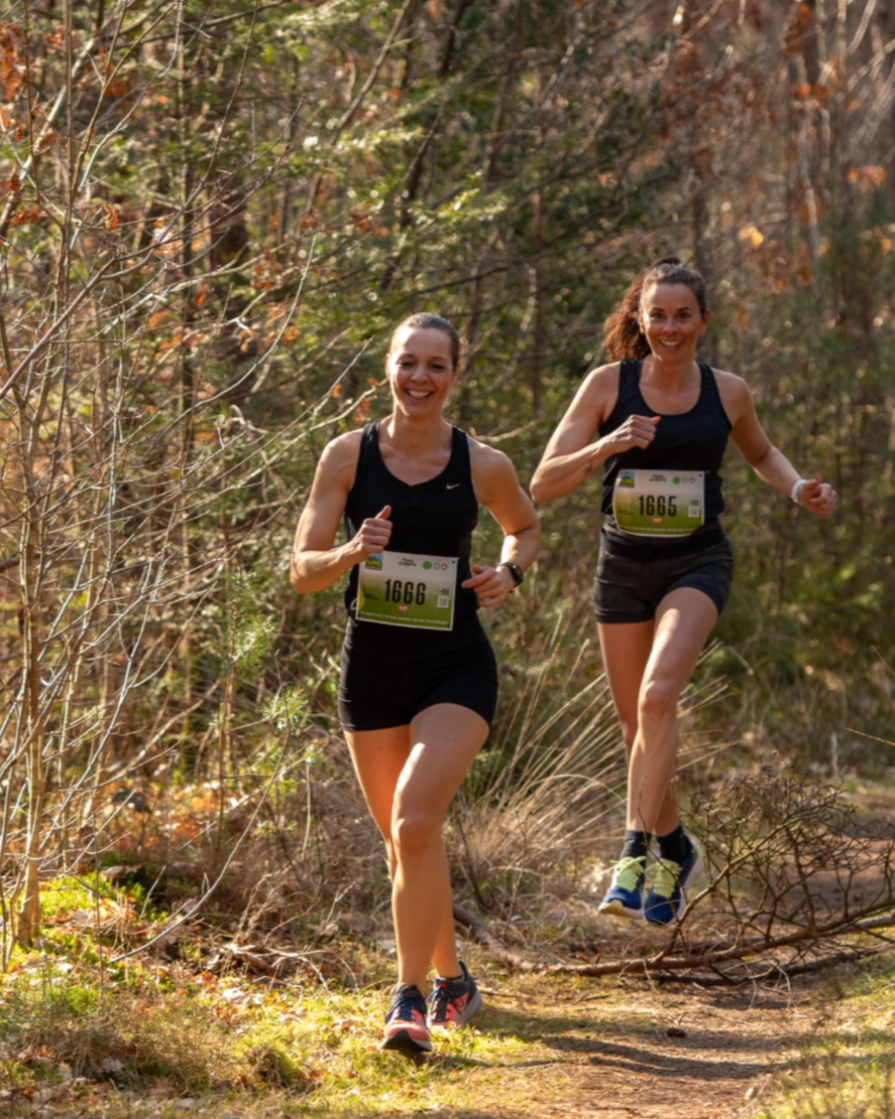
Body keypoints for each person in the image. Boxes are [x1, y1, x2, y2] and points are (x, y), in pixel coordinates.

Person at [530, 257, 836, 927]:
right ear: (640, 319)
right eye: (658, 315)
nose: (669, 328)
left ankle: (634, 853)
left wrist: (797, 488)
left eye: (682, 316)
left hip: (696, 562)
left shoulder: (727, 391)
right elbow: (543, 482)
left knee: (656, 697)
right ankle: (675, 847)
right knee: (636, 727)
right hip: (622, 566)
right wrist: (607, 445)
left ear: (703, 320)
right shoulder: (607, 385)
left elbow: (760, 453)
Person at [290, 313, 539, 1054]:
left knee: (414, 820)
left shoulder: (481, 463)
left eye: (435, 365)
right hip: (370, 670)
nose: (420, 377)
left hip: (454, 666)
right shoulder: (346, 455)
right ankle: (455, 979)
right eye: (408, 362)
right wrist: (349, 552)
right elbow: (302, 570)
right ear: (388, 368)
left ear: (454, 374)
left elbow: (524, 526)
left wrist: (509, 573)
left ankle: (408, 1000)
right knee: (405, 842)